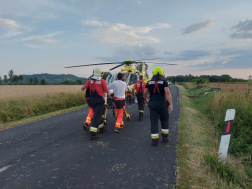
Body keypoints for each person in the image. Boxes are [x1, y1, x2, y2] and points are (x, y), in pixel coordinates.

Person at [143, 67, 173, 146]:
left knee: (154, 122)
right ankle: (165, 137)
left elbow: (144, 92)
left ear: (153, 73)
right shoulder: (164, 82)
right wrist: (170, 104)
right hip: (162, 104)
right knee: (164, 120)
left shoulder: (149, 82)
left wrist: (146, 100)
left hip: (152, 104)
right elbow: (167, 93)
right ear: (162, 73)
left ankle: (154, 140)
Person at [81, 68, 109, 140]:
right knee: (98, 116)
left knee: (97, 114)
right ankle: (93, 133)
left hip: (92, 100)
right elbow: (106, 90)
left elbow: (82, 88)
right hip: (99, 100)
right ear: (100, 73)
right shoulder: (102, 81)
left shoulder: (90, 81)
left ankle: (102, 128)